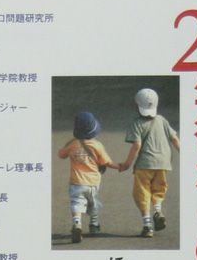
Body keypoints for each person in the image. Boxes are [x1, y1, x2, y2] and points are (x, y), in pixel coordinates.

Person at [57, 111, 123, 243]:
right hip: (93, 183)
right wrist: (120, 166)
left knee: (77, 203)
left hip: (76, 183)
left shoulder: (73, 144)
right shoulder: (97, 145)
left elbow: (61, 154)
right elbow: (107, 162)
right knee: (93, 204)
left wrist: (70, 142)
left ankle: (77, 224)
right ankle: (94, 224)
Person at [124, 87, 180, 238]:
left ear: (137, 105)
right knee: (158, 189)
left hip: (145, 165)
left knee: (142, 193)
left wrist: (127, 164)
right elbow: (175, 138)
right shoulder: (162, 120)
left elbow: (137, 146)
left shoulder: (137, 123)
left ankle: (147, 225)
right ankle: (157, 210)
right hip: (163, 163)